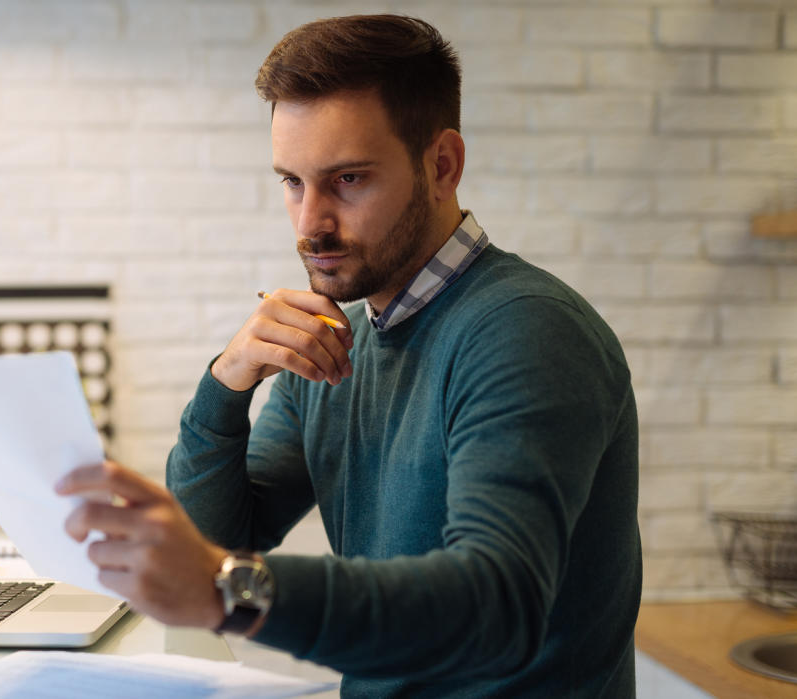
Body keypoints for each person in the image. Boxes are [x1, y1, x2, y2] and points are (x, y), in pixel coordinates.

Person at [56, 14, 641, 697]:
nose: (310, 224)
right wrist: (228, 381)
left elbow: (497, 605)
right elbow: (222, 534)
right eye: (292, 182)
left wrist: (231, 591)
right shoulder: (343, 340)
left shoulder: (527, 333)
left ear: (442, 165)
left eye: (348, 179)